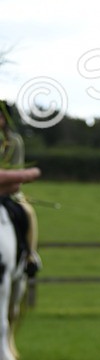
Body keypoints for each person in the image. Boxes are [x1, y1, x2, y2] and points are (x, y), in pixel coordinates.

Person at [0, 107, 41, 276]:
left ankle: (29, 255)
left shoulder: (14, 141)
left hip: (8, 192)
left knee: (28, 212)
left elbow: (18, 171)